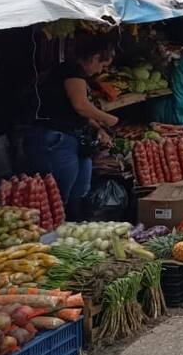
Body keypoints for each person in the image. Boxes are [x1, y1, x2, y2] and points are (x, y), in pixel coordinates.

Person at [27, 35, 118, 220]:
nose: (100, 70)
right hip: (56, 139)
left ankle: (74, 232)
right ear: (94, 58)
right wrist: (108, 119)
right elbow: (80, 105)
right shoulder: (71, 71)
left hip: (72, 138)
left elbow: (78, 112)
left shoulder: (74, 73)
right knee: (59, 197)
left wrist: (98, 128)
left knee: (78, 192)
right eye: (102, 65)